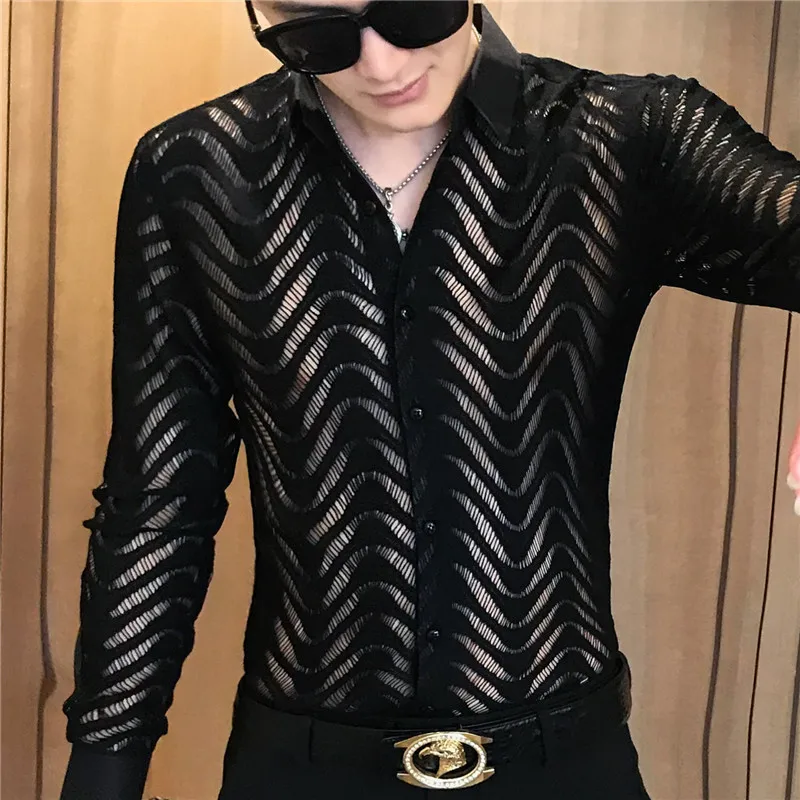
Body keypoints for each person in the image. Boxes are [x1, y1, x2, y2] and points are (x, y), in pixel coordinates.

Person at [59, 2, 800, 798]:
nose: (380, 66)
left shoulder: (625, 136)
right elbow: (161, 498)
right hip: (300, 769)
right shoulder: (194, 171)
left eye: (411, 6)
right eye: (316, 32)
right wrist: (103, 770)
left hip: (566, 764)